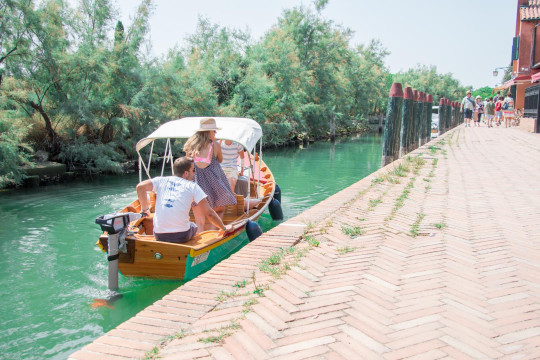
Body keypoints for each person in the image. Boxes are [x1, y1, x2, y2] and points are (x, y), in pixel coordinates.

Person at [135, 157, 230, 243]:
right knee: (194, 227)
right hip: (181, 235)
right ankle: (191, 248)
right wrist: (224, 228)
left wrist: (145, 209)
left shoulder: (161, 180)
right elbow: (209, 213)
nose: (194, 173)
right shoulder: (193, 186)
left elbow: (140, 187)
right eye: (193, 170)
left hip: (159, 235)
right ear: (186, 173)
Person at [183, 118, 236, 229]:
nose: (216, 133)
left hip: (196, 183)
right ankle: (214, 233)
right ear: (208, 132)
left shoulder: (190, 145)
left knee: (199, 216)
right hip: (214, 182)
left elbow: (188, 163)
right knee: (220, 210)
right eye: (214, 131)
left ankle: (201, 236)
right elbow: (220, 160)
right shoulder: (215, 145)